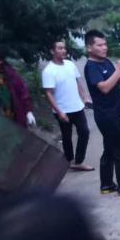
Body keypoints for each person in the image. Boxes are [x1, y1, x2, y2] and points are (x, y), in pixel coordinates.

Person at [83, 30, 120, 196]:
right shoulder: (91, 67)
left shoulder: (105, 62)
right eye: (99, 45)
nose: (104, 48)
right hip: (106, 115)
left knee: (109, 147)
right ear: (89, 48)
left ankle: (107, 185)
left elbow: (113, 81)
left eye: (105, 44)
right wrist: (119, 69)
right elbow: (105, 87)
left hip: (115, 112)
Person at [42, 40, 94, 171]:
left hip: (77, 107)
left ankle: (79, 161)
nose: (63, 51)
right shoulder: (49, 71)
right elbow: (49, 93)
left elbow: (77, 81)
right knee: (67, 136)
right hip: (62, 110)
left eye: (64, 48)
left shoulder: (70, 64)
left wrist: (85, 97)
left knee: (84, 132)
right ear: (52, 51)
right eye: (59, 48)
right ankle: (69, 160)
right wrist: (59, 112)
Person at [0, 46, 36, 128]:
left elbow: (22, 92)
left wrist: (28, 111)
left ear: (0, 60)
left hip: (13, 116)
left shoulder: (9, 74)